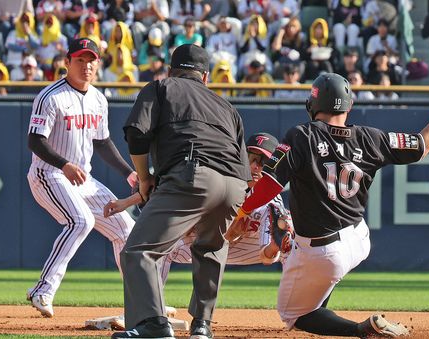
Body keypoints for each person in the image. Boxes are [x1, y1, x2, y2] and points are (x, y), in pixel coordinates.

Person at [224, 73, 429, 337]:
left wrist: (243, 210)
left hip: (323, 252)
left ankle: (361, 330)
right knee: (311, 274)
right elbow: (422, 144)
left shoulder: (301, 136)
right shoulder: (370, 139)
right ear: (349, 106)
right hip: (358, 238)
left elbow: (270, 184)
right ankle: (324, 297)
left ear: (313, 104)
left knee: (294, 315)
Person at [111, 43, 251, 339]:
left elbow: (137, 132)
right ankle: (202, 325)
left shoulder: (162, 87)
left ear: (172, 70)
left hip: (194, 174)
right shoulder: (226, 106)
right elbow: (243, 166)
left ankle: (153, 324)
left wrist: (143, 177)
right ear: (205, 77)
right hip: (235, 185)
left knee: (139, 251)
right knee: (211, 247)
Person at [26, 37, 137, 318]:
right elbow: (35, 141)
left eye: (91, 60)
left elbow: (102, 143)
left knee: (126, 229)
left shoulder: (99, 98)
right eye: (80, 60)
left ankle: (141, 302)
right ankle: (43, 290)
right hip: (48, 174)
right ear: (67, 62)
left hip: (82, 179)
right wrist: (63, 164)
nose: (86, 66)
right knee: (81, 221)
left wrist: (128, 172)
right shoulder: (51, 96)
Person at [105, 132, 292, 271]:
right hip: (207, 245)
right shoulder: (225, 181)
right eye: (251, 158)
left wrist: (274, 248)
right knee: (160, 248)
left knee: (292, 244)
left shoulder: (271, 202)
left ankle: (301, 313)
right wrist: (126, 202)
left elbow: (267, 258)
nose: (254, 166)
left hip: (249, 251)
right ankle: (151, 313)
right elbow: (174, 190)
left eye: (262, 162)